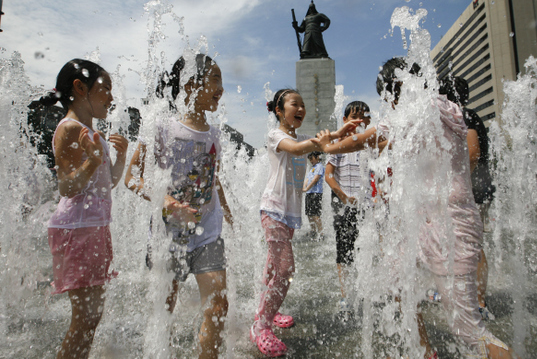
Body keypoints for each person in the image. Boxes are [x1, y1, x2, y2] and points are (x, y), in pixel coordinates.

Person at [317, 58, 519, 359]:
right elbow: (381, 137)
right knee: (399, 283)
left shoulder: (425, 108)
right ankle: (425, 351)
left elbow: (373, 138)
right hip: (426, 221)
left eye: (386, 96)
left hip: (451, 224)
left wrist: (330, 145)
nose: (388, 103)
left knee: (468, 330)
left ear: (392, 90)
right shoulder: (438, 107)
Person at [125, 52, 233, 359]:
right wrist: (167, 201)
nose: (220, 87)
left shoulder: (215, 134)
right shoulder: (162, 128)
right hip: (167, 235)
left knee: (217, 305)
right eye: (214, 78)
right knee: (164, 310)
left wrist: (227, 210)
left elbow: (214, 177)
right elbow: (132, 177)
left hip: (207, 232)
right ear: (189, 84)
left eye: (221, 80)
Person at [251, 88, 361, 357]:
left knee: (272, 268)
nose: (301, 108)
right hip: (273, 211)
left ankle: (266, 311)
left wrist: (342, 131)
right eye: (294, 104)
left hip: (287, 215)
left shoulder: (300, 136)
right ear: (279, 110)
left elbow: (320, 140)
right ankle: (261, 327)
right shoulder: (276, 136)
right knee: (285, 270)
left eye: (302, 104)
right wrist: (322, 142)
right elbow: (299, 149)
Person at [43, 59, 128, 359]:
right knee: (84, 320)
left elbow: (107, 185)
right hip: (76, 230)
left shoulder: (94, 135)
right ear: (80, 88)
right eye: (105, 89)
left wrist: (120, 159)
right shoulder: (69, 129)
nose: (111, 97)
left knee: (91, 319)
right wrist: (92, 161)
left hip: (93, 228)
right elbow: (67, 187)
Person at [440, 75, 496, 321]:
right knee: (459, 243)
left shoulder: (465, 116)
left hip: (473, 191)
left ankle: (480, 300)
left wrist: (457, 185)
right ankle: (464, 294)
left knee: (473, 246)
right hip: (467, 191)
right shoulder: (459, 116)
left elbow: (472, 155)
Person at [324, 100, 371, 317]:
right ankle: (345, 295)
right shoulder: (340, 147)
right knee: (344, 253)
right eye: (355, 117)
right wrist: (343, 196)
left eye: (364, 117)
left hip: (367, 207)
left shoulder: (370, 145)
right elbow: (328, 175)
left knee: (365, 250)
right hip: (344, 207)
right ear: (345, 121)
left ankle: (363, 290)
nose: (359, 121)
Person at [302, 151, 325, 240]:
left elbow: (315, 179)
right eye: (309, 159)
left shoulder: (319, 166)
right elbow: (307, 179)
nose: (310, 160)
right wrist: (304, 187)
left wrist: (307, 189)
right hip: (309, 193)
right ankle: (313, 230)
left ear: (317, 157)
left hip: (316, 193)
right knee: (309, 213)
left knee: (315, 214)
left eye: (312, 158)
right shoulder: (312, 168)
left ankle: (321, 232)